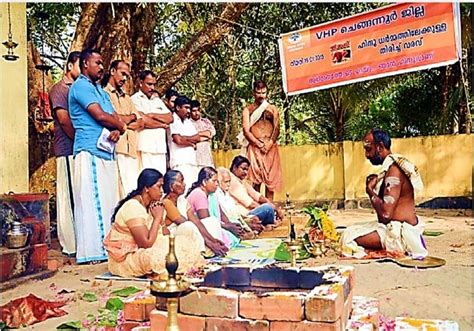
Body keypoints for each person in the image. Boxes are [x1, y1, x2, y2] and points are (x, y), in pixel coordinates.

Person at [69, 49, 127, 264]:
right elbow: (100, 116)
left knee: (107, 201)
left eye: (103, 63)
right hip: (89, 151)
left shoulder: (101, 91)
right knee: (92, 203)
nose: (102, 67)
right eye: (97, 63)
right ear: (85, 64)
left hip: (106, 150)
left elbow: (113, 116)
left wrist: (117, 129)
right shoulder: (81, 86)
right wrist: (120, 126)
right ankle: (92, 252)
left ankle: (106, 249)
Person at [341, 129, 428, 259]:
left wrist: (370, 191)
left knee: (347, 236)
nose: (367, 155)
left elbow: (386, 215)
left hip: (399, 235)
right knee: (352, 229)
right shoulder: (389, 170)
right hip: (393, 229)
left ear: (380, 147)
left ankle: (392, 249)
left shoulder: (394, 171)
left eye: (369, 149)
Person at [103, 169, 204, 278]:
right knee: (161, 257)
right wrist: (157, 218)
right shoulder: (133, 206)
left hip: (145, 249)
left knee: (184, 247)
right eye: (158, 186)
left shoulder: (153, 205)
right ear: (146, 188)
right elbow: (145, 243)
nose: (162, 191)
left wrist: (161, 221)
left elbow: (164, 235)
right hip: (126, 259)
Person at [48, 51, 81, 255]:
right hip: (67, 148)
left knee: (78, 195)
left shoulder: (79, 88)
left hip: (78, 149)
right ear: (70, 66)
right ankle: (70, 245)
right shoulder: (59, 89)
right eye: (81, 65)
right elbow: (64, 120)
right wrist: (78, 141)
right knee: (68, 197)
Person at [103, 60, 145, 197]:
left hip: (131, 149)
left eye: (127, 75)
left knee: (131, 188)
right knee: (117, 191)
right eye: (122, 74)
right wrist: (129, 118)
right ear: (112, 71)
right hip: (116, 147)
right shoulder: (104, 94)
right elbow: (111, 118)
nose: (125, 78)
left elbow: (140, 122)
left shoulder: (127, 98)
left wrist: (123, 122)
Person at [162, 170, 227, 256]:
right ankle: (203, 252)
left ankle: (214, 249)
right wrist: (209, 242)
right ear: (172, 187)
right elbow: (185, 223)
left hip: (189, 233)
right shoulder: (166, 202)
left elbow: (196, 221)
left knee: (211, 221)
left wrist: (213, 239)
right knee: (189, 226)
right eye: (181, 181)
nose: (184, 184)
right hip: (174, 238)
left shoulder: (182, 200)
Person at [238, 80, 283, 201]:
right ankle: (259, 211)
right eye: (258, 93)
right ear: (254, 93)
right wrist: (258, 143)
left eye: (263, 92)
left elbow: (277, 128)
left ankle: (270, 209)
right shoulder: (248, 110)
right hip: (254, 148)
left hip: (270, 148)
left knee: (271, 183)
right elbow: (246, 130)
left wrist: (269, 144)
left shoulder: (273, 109)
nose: (261, 95)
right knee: (256, 181)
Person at [186, 167, 245, 251]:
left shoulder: (212, 195)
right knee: (220, 230)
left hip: (214, 226)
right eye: (214, 181)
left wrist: (230, 224)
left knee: (235, 225)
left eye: (217, 181)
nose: (217, 184)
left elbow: (221, 213)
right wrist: (227, 227)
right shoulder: (199, 194)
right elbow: (207, 222)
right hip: (201, 230)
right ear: (204, 182)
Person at [131, 70, 173, 175]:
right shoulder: (134, 99)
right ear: (140, 83)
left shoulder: (158, 101)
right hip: (145, 147)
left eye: (154, 84)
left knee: (161, 180)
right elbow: (142, 120)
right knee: (147, 180)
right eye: (149, 84)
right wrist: (162, 125)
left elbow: (170, 118)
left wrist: (152, 115)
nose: (152, 88)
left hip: (160, 149)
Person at [229, 156, 284, 229]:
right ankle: (270, 222)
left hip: (249, 213)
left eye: (247, 170)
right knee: (267, 208)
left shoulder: (241, 181)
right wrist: (270, 209)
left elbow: (256, 195)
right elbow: (250, 204)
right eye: (243, 169)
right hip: (243, 216)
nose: (245, 172)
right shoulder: (232, 181)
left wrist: (274, 207)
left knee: (268, 206)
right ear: (234, 168)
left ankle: (266, 222)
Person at [168, 96, 210, 189]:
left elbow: (197, 137)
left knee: (192, 188)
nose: (188, 111)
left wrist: (184, 139)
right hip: (179, 161)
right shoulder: (173, 120)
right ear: (178, 108)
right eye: (186, 108)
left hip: (191, 161)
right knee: (181, 189)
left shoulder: (188, 122)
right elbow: (178, 140)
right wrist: (191, 143)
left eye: (189, 108)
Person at [216, 167, 264, 234]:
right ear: (218, 182)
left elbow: (235, 213)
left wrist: (246, 219)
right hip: (230, 222)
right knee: (266, 209)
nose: (228, 184)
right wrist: (245, 223)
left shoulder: (226, 193)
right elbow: (227, 217)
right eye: (226, 182)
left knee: (254, 219)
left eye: (229, 181)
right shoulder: (217, 195)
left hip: (238, 218)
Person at [190, 100, 216, 168]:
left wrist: (196, 135)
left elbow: (210, 134)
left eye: (198, 110)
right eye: (194, 111)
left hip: (207, 157)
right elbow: (189, 137)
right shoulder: (187, 123)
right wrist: (204, 136)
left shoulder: (206, 121)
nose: (197, 113)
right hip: (195, 158)